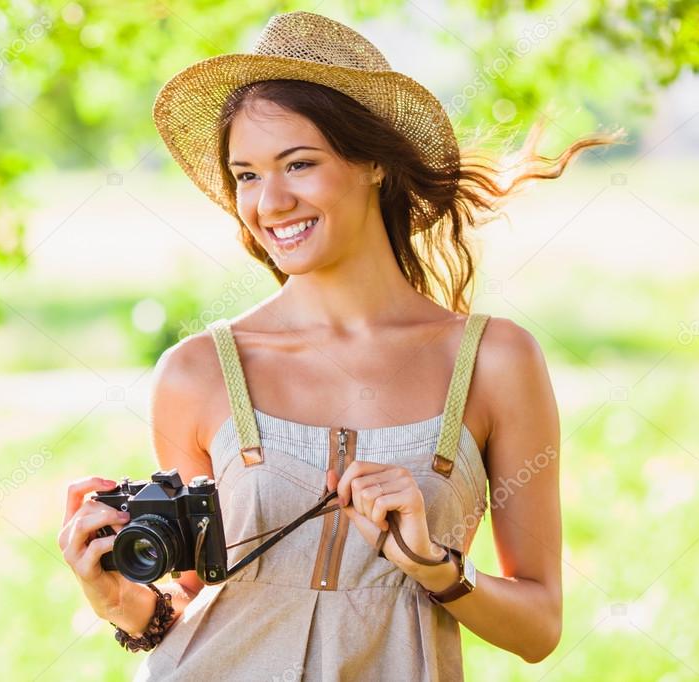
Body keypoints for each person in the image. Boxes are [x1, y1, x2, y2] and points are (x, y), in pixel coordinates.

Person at [58, 10, 621, 681]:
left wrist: (432, 566)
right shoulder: (196, 372)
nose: (269, 202)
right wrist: (121, 602)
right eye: (245, 175)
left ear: (373, 162)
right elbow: (190, 597)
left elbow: (538, 626)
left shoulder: (495, 361)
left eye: (298, 164)